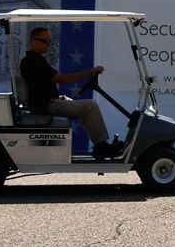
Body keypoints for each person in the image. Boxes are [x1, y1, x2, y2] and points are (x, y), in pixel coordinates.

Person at [19, 26, 120, 160]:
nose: (48, 44)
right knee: (90, 106)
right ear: (33, 41)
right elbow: (62, 79)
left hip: (46, 102)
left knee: (84, 108)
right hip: (44, 106)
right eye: (45, 41)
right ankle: (101, 147)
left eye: (49, 41)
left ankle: (100, 146)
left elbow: (39, 87)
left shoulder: (33, 60)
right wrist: (91, 71)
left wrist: (59, 97)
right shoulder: (33, 60)